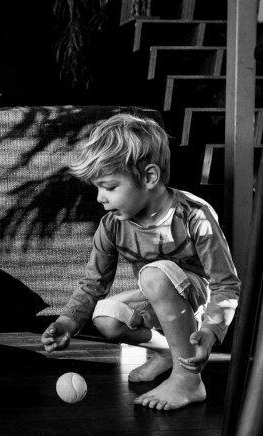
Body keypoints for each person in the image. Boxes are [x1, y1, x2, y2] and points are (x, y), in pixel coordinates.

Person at [41, 114, 240, 410]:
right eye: (97, 188)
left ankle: (188, 379)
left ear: (149, 178)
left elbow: (226, 285)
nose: (100, 198)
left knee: (154, 274)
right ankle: (168, 352)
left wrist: (210, 333)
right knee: (106, 315)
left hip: (197, 301)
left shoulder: (193, 216)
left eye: (109, 187)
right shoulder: (112, 226)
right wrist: (67, 322)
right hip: (156, 296)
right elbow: (94, 285)